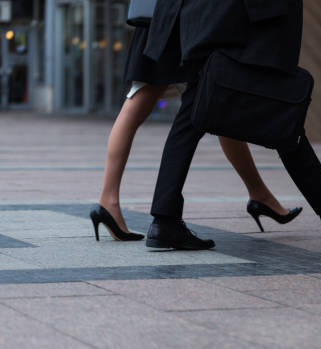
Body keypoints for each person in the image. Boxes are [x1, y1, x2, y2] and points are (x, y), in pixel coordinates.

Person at [143, 0, 321, 250]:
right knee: (280, 110)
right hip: (236, 17)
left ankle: (164, 219)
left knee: (204, 116)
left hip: (213, 17)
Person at [90, 26, 302, 242]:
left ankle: (259, 194)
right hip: (168, 26)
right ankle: (108, 200)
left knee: (218, 108)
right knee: (138, 106)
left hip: (167, 25)